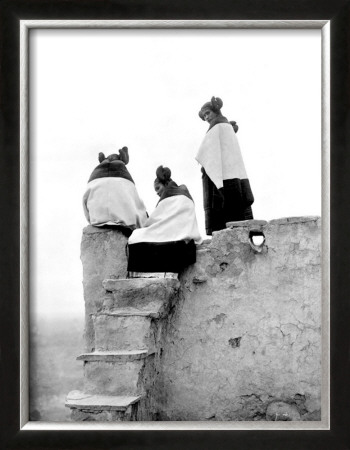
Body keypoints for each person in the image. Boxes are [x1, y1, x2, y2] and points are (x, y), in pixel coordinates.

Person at [127, 166, 202, 273]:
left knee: (136, 236)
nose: (157, 193)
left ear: (165, 184)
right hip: (185, 240)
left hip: (174, 238)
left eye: (158, 188)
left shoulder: (167, 198)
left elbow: (153, 222)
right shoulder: (185, 193)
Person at [196, 96, 254, 235]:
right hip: (235, 177)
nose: (207, 118)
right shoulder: (227, 127)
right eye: (204, 116)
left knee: (225, 220)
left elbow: (205, 154)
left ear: (215, 111)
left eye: (208, 113)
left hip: (224, 179)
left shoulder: (217, 127)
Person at [83, 147, 148, 236]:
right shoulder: (126, 181)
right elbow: (138, 207)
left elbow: (85, 204)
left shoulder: (93, 180)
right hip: (125, 223)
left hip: (97, 220)